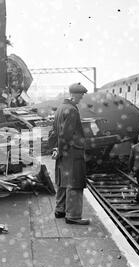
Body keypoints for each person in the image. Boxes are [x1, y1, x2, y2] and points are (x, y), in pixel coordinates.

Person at [51, 82, 89, 225]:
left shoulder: (61, 108)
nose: (82, 98)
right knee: (75, 182)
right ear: (74, 95)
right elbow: (66, 134)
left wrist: (57, 149)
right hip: (72, 151)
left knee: (62, 181)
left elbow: (55, 131)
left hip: (63, 151)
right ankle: (73, 215)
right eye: (81, 95)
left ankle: (60, 209)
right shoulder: (72, 110)